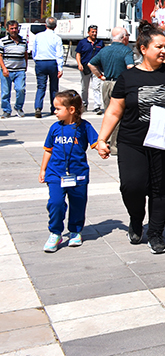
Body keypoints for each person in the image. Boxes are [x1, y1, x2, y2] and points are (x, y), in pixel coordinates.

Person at [95, 25, 165, 255]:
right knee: (132, 186)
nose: (163, 51)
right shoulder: (127, 77)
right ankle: (136, 218)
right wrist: (103, 139)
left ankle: (156, 234)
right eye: (158, 47)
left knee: (161, 189)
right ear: (143, 48)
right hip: (132, 141)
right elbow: (113, 111)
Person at [40, 90, 98, 252]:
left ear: (71, 110)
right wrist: (43, 169)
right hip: (55, 173)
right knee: (55, 202)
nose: (54, 112)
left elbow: (96, 142)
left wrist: (102, 148)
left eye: (58, 109)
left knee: (78, 203)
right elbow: (48, 150)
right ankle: (55, 232)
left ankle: (75, 231)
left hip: (78, 174)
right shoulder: (54, 128)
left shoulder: (84, 127)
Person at [88, 27, 135, 156]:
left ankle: (105, 139)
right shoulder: (126, 51)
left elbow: (91, 64)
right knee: (118, 115)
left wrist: (100, 76)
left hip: (107, 83)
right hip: (120, 85)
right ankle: (115, 145)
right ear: (124, 37)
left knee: (108, 113)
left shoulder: (104, 50)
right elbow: (130, 67)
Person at [29, 18, 64, 118]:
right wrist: (60, 67)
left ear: (46, 25)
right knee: (54, 87)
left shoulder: (38, 36)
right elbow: (59, 54)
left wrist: (37, 60)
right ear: (55, 26)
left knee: (41, 86)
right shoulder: (57, 38)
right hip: (52, 62)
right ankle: (54, 108)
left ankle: (38, 107)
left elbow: (34, 51)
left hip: (41, 62)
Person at [1, 19, 29, 118]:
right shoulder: (3, 41)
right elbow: (0, 56)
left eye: (16, 28)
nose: (14, 30)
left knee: (20, 89)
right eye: (12, 28)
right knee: (5, 92)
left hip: (20, 70)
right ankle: (6, 110)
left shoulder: (23, 41)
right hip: (7, 70)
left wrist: (26, 66)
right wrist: (3, 68)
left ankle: (18, 107)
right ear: (8, 30)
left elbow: (25, 54)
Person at [75, 25, 104, 114]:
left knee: (96, 87)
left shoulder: (100, 43)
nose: (94, 34)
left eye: (95, 32)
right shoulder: (82, 42)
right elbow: (78, 54)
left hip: (96, 68)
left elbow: (103, 54)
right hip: (85, 68)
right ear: (88, 32)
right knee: (84, 87)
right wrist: (79, 64)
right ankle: (84, 104)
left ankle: (97, 106)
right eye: (92, 32)